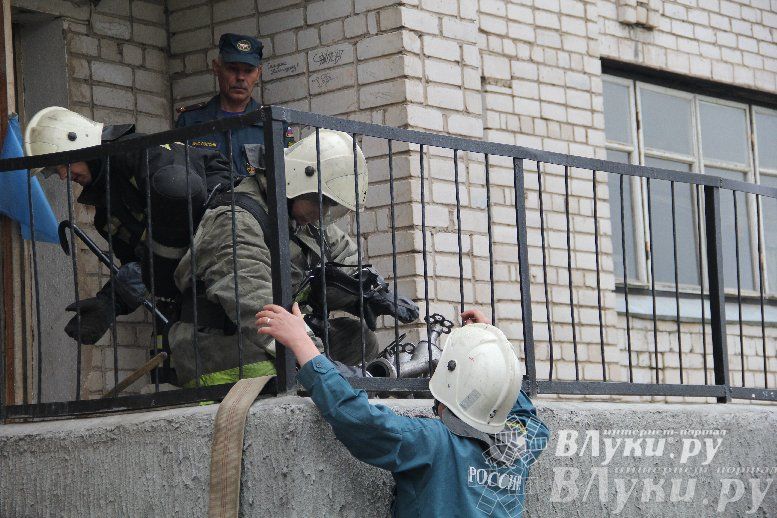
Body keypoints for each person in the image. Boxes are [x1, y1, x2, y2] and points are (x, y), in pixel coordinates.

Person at [256, 305, 549, 517]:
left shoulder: (433, 442)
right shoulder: (519, 445)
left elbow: (358, 418)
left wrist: (303, 345)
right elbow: (527, 418)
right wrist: (492, 345)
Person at [168, 129, 402, 388]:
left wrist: (369, 292)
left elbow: (344, 259)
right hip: (223, 349)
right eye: (320, 201)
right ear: (297, 183)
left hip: (272, 335)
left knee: (359, 339)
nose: (322, 212)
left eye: (330, 204)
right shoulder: (235, 221)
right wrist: (314, 355)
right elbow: (256, 305)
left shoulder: (302, 215)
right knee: (294, 371)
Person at [23, 106, 233, 349]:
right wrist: (109, 302)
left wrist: (163, 261)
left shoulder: (143, 153)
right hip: (203, 295)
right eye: (52, 171)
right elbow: (141, 268)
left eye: (61, 163)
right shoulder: (107, 219)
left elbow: (181, 193)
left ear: (80, 141)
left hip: (233, 258)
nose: (61, 176)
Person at [175, 33, 293, 177]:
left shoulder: (274, 125)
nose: (241, 77)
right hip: (209, 198)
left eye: (248, 71)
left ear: (258, 73)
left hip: (256, 199)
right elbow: (178, 176)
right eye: (232, 69)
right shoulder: (191, 121)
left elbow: (291, 180)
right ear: (216, 68)